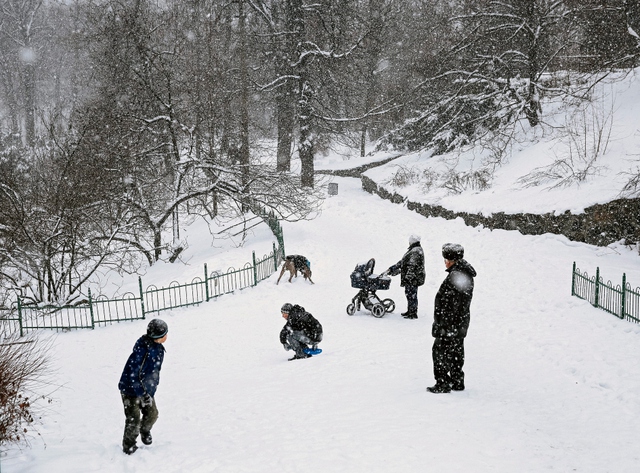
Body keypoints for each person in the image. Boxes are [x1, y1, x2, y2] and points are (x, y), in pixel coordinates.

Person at [427, 243, 476, 394]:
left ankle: (442, 383)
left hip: (450, 324)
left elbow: (451, 304)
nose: (445, 262)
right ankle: (457, 380)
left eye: (446, 259)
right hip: (459, 323)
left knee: (440, 352)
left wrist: (443, 324)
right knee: (456, 351)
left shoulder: (456, 276)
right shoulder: (462, 273)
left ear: (452, 259)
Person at [118, 318, 168, 454]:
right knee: (133, 419)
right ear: (157, 337)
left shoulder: (158, 348)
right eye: (164, 334)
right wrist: (142, 393)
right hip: (130, 390)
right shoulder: (142, 351)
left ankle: (144, 430)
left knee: (152, 414)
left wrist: (151, 389)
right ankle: (128, 446)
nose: (166, 337)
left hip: (146, 389)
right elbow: (133, 375)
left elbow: (154, 371)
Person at [387, 235, 425, 319]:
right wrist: (393, 268)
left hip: (413, 278)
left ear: (412, 241)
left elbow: (412, 264)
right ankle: (410, 311)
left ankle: (413, 313)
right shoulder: (414, 249)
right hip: (413, 277)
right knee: (410, 294)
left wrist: (409, 276)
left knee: (412, 295)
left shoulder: (415, 251)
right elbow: (403, 262)